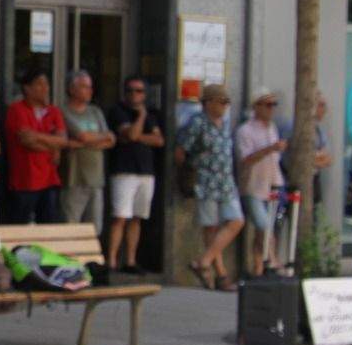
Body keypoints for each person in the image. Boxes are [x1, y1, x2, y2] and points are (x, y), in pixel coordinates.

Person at [174, 84, 244, 290]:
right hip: (206, 181)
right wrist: (189, 171)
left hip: (226, 181)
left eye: (227, 103)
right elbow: (181, 151)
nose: (225, 106)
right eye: (222, 102)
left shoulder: (224, 123)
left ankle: (204, 261)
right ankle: (220, 275)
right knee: (211, 226)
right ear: (209, 102)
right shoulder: (197, 123)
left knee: (237, 221)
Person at [106, 76, 164, 273]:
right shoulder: (118, 111)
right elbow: (130, 134)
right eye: (130, 90)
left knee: (137, 218)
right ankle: (112, 261)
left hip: (146, 172)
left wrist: (137, 135)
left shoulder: (152, 115)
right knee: (120, 217)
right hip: (124, 171)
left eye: (139, 91)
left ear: (145, 94)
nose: (134, 94)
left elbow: (159, 140)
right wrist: (140, 118)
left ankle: (130, 260)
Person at [2, 68, 68, 224]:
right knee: (21, 228)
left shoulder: (53, 111)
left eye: (46, 84)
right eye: (39, 84)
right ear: (27, 88)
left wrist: (38, 136)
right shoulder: (16, 109)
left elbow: (63, 140)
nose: (45, 88)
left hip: (50, 179)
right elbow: (28, 143)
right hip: (25, 181)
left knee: (48, 226)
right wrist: (53, 145)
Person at [234, 89, 287, 277]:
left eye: (274, 105)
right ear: (256, 106)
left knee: (264, 230)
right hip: (253, 186)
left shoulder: (272, 128)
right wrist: (270, 149)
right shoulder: (245, 131)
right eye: (267, 104)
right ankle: (272, 261)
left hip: (273, 183)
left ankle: (258, 267)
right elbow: (245, 159)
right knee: (264, 226)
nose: (271, 109)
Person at [61, 70, 114, 233]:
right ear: (72, 89)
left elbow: (111, 139)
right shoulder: (63, 111)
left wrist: (87, 141)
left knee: (94, 228)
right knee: (71, 224)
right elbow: (83, 136)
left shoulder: (95, 111)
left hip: (96, 179)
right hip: (74, 178)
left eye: (90, 87)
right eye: (84, 87)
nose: (90, 91)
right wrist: (96, 139)